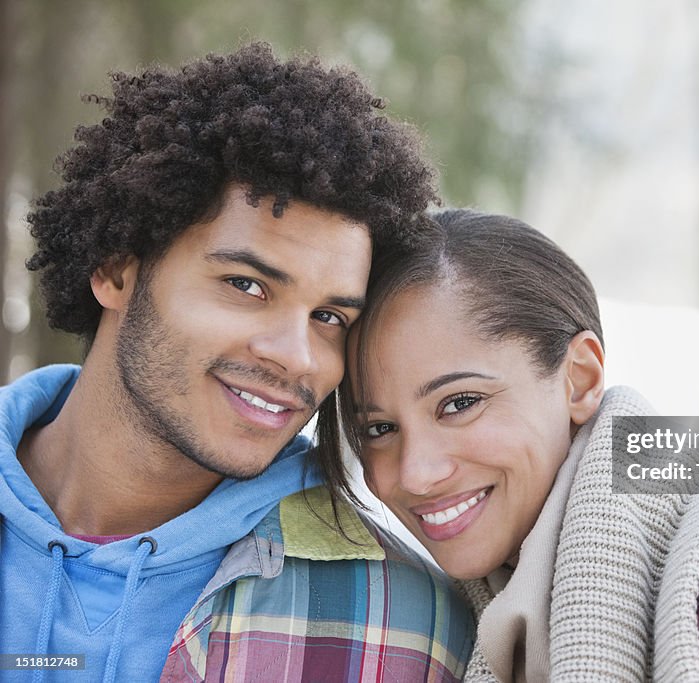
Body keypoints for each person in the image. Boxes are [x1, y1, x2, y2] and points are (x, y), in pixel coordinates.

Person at [0, 44, 473, 682]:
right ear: (116, 269)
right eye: (247, 286)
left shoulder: (411, 628)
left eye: (329, 317)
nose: (297, 356)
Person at [334, 209, 699, 682]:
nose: (414, 473)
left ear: (580, 379)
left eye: (459, 403)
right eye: (380, 429)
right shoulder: (455, 625)